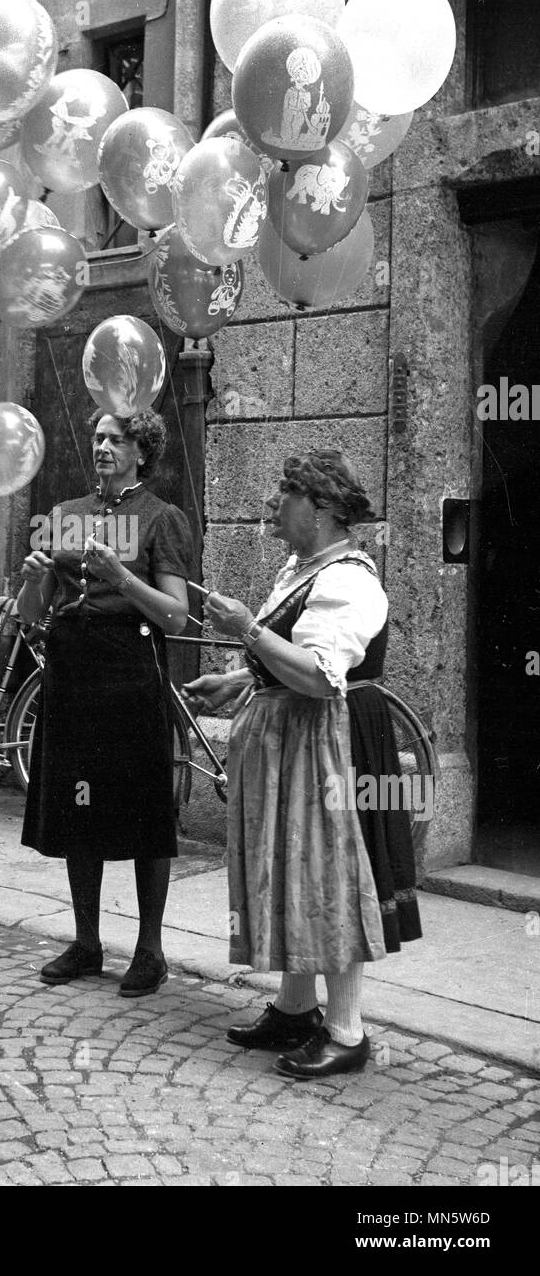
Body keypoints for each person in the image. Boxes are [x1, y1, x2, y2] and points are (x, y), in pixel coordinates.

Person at [184, 449, 422, 1079]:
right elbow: (291, 659)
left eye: (283, 494)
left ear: (319, 509)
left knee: (331, 874)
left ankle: (347, 1032)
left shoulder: (348, 580)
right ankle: (295, 1008)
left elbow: (320, 677)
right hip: (297, 738)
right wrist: (240, 679)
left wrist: (246, 631)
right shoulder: (304, 566)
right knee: (294, 869)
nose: (271, 505)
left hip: (331, 741)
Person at [17, 408, 193, 996]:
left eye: (116, 439)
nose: (102, 446)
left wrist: (121, 577)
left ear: (142, 451)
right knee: (77, 806)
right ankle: (87, 942)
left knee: (144, 810)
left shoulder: (163, 519)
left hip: (130, 670)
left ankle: (149, 950)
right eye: (96, 437)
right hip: (72, 670)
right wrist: (32, 577)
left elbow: (175, 614)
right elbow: (31, 614)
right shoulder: (64, 516)